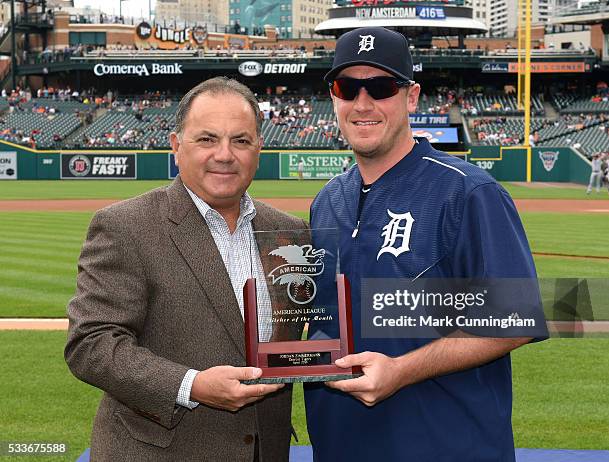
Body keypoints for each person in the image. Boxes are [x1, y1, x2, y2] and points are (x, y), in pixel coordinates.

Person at [304, 27, 546, 461]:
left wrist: (400, 371)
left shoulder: (469, 192)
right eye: (347, 87)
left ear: (411, 97)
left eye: (380, 87)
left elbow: (516, 317)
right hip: (341, 444)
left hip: (444, 445)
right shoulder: (326, 202)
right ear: (334, 98)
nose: (362, 103)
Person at [65, 77, 306, 461]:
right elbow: (91, 345)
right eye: (207, 139)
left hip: (265, 449)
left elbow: (303, 335)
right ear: (177, 146)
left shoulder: (289, 232)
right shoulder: (125, 225)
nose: (225, 154)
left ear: (259, 148)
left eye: (240, 140)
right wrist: (191, 385)